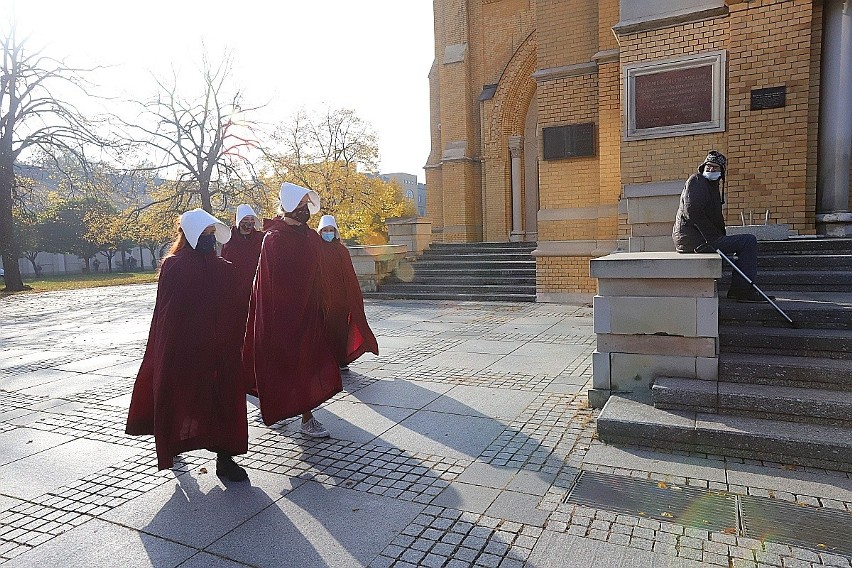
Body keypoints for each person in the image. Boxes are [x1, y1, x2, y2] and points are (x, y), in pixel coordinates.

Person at [126, 208, 250, 481]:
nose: (209, 239)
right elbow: (167, 315)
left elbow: (234, 309)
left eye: (211, 234)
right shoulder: (174, 266)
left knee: (223, 401)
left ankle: (225, 458)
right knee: (181, 397)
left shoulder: (223, 269)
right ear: (190, 236)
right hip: (185, 350)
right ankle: (174, 445)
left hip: (219, 350)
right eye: (204, 234)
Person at [242, 183, 341, 438]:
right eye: (301, 205)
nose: (306, 209)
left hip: (308, 312)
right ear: (289, 207)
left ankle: (306, 418)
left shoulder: (309, 237)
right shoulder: (274, 239)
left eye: (307, 204)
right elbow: (268, 282)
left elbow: (318, 272)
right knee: (283, 365)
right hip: (283, 316)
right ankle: (283, 410)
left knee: (307, 365)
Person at [672, 151, 767, 303]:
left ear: (721, 172)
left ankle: (739, 289)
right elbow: (692, 211)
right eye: (708, 166)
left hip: (698, 239)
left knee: (743, 243)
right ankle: (741, 290)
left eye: (715, 168)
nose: (711, 170)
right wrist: (713, 238)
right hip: (696, 240)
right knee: (748, 241)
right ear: (703, 167)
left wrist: (719, 236)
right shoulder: (697, 181)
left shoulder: (711, 187)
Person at [316, 214, 379, 371]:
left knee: (341, 330)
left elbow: (349, 276)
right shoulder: (316, 250)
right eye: (325, 230)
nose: (328, 233)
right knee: (325, 330)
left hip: (340, 299)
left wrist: (352, 297)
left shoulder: (341, 250)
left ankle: (341, 359)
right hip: (323, 297)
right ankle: (327, 360)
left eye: (331, 230)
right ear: (320, 232)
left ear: (335, 232)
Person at [221, 204, 264, 325]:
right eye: (245, 220)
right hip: (235, 293)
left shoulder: (260, 238)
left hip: (255, 290)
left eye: (252, 220)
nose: (249, 223)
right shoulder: (229, 240)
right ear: (239, 221)